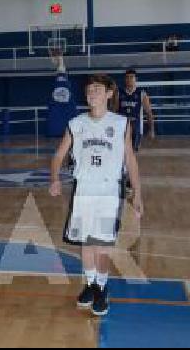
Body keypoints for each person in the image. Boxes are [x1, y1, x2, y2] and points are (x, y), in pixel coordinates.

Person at [50, 74, 143, 317]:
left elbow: (130, 159)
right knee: (86, 242)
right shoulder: (76, 123)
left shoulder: (122, 123)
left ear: (109, 94)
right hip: (83, 190)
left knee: (101, 243)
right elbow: (58, 155)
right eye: (89, 90)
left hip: (109, 191)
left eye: (97, 90)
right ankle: (91, 285)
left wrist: (138, 193)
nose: (92, 94)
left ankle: (101, 288)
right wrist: (54, 178)